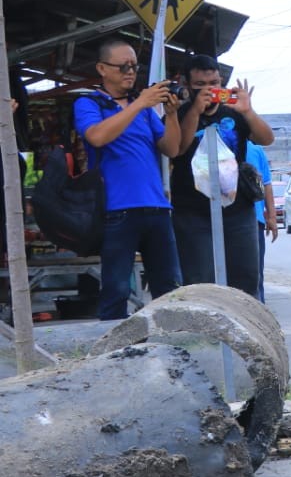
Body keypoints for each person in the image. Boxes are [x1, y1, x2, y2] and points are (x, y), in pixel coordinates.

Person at [74, 39, 183, 320]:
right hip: (116, 210)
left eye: (134, 66)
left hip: (157, 208)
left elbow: (171, 149)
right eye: (123, 66)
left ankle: (171, 346)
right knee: (116, 288)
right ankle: (114, 355)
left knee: (169, 287)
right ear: (102, 68)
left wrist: (171, 115)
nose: (130, 72)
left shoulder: (143, 108)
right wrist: (140, 104)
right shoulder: (88, 103)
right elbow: (97, 136)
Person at [172, 54, 274, 299]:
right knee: (199, 281)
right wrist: (195, 111)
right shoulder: (178, 113)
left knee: (246, 278)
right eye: (200, 86)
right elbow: (178, 149)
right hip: (192, 211)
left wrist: (248, 111)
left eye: (215, 83)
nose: (209, 91)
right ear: (186, 84)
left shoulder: (235, 112)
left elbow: (266, 139)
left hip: (238, 209)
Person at [246, 141, 278, 303]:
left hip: (254, 221)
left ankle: (259, 315)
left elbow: (266, 184)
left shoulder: (255, 150)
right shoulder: (207, 142)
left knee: (255, 274)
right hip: (220, 221)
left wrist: (272, 217)